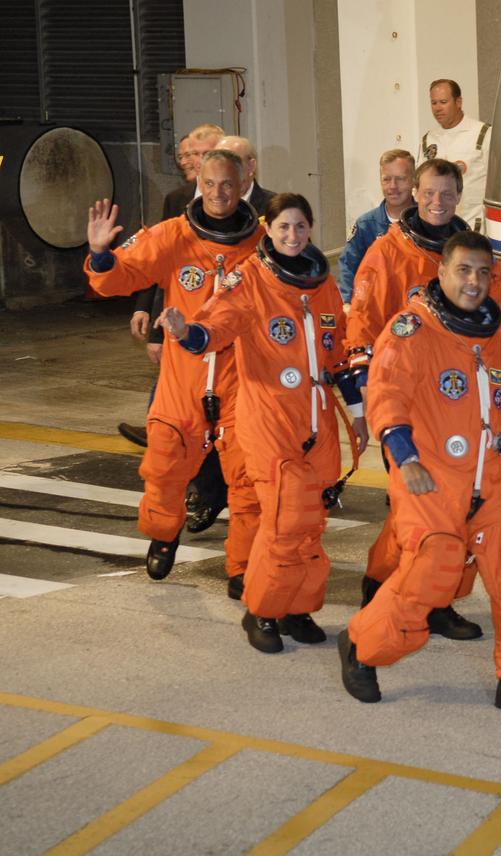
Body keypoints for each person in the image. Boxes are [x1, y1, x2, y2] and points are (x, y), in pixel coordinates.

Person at [338, 230, 501, 715]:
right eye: (463, 271)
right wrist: (405, 458)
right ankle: (361, 646)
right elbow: (386, 398)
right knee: (430, 575)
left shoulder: (493, 333)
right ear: (441, 272)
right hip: (432, 477)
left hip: (495, 480)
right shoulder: (411, 330)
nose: (473, 282)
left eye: (484, 273)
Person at [157, 193, 368, 653]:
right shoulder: (248, 279)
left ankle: (298, 606)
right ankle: (262, 610)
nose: (292, 236)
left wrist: (357, 412)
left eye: (300, 227)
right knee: (282, 518)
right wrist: (184, 331)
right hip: (269, 418)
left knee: (312, 521)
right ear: (267, 229)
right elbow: (214, 327)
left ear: (310, 229)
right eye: (283, 227)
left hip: (316, 419)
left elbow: (338, 354)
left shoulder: (322, 284)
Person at [345, 158, 501, 641]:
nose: (438, 202)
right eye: (430, 193)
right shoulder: (386, 252)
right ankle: (384, 586)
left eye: (447, 195)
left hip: (466, 402)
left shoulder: (471, 255)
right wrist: (364, 392)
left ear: (460, 197)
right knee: (421, 510)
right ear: (414, 194)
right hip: (416, 402)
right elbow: (364, 322)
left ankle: (439, 600)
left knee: (467, 506)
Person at [85, 149, 264, 596]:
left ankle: (242, 566)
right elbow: (120, 277)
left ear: (243, 185)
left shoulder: (262, 241)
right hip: (182, 375)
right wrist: (101, 252)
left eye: (228, 184)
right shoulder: (174, 235)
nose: (219, 193)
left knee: (248, 476)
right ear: (198, 184)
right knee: (164, 468)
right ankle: (164, 535)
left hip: (242, 374)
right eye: (210, 184)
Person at [119, 122, 227, 448]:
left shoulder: (262, 206)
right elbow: (159, 263)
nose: (191, 161)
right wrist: (147, 314)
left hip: (228, 319)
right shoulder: (177, 199)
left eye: (200, 153)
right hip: (184, 314)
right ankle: (161, 427)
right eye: (187, 155)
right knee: (175, 374)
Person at [336, 149, 416, 305]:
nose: (393, 186)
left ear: (413, 180)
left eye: (400, 179)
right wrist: (348, 304)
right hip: (375, 311)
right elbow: (347, 267)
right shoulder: (366, 225)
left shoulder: (426, 223)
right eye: (386, 179)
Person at [419, 79, 490, 230]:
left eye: (443, 102)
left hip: (472, 227)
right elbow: (419, 185)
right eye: (434, 103)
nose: (437, 108)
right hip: (437, 228)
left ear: (458, 102)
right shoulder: (428, 140)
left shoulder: (483, 134)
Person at [215, 135, 276, 214]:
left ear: (251, 166)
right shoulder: (201, 207)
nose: (223, 169)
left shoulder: (274, 207)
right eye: (217, 162)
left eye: (232, 162)